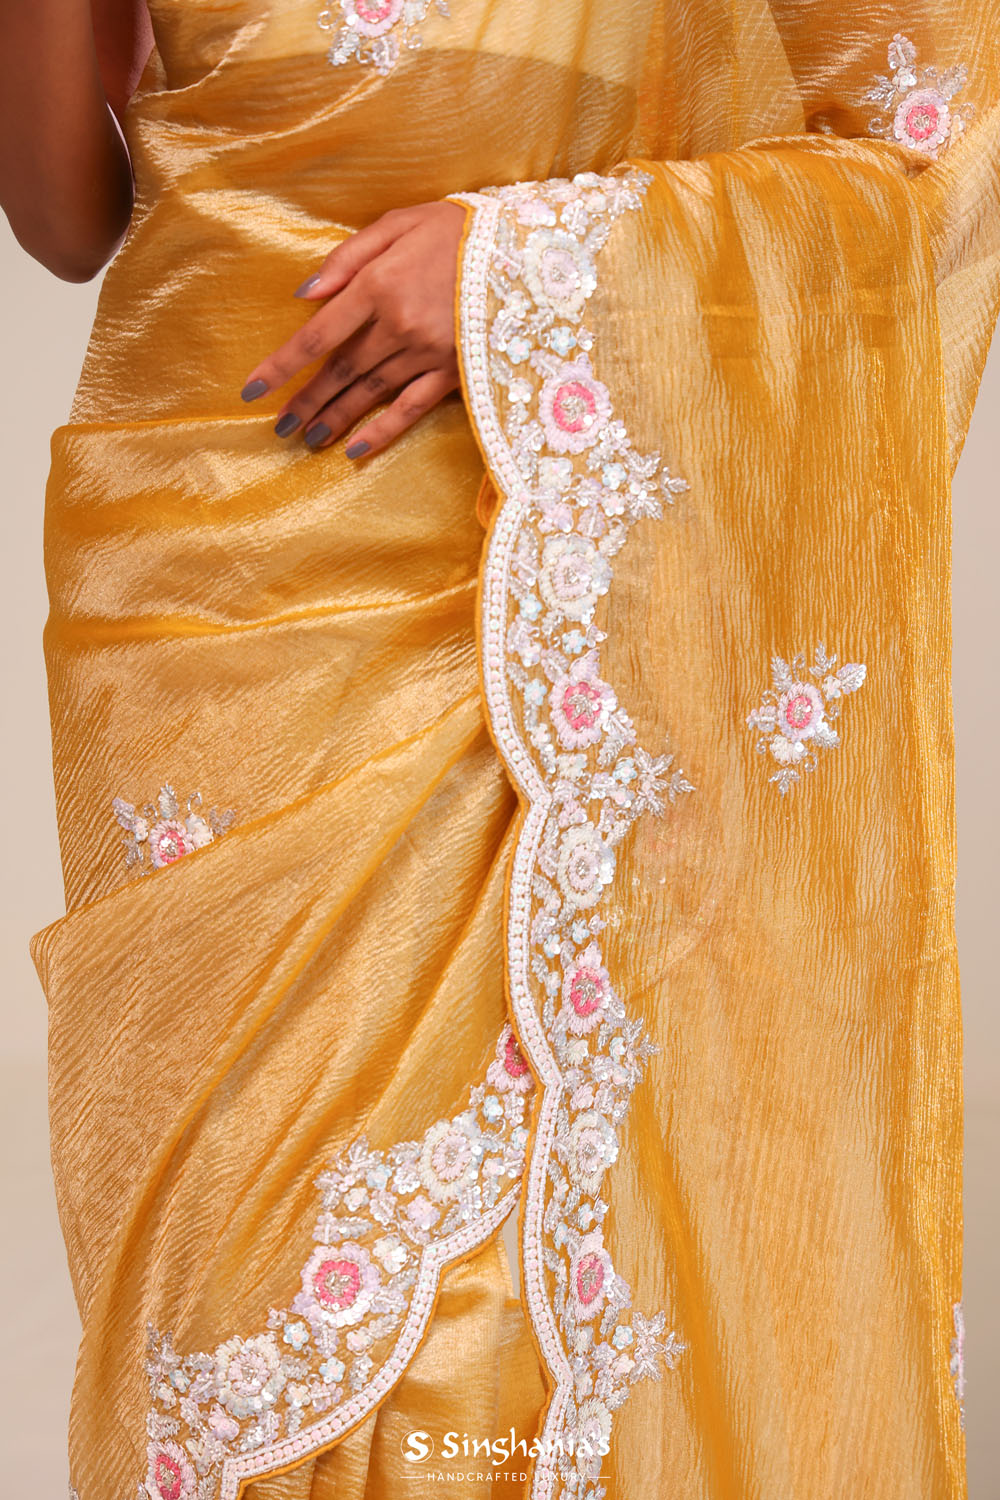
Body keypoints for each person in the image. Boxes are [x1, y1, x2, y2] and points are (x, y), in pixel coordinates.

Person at [2, 2, 998, 1497]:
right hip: (213, 560)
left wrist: (526, 267)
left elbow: (934, 147)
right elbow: (62, 212)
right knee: (233, 1284)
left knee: (535, 1248)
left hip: (560, 543)